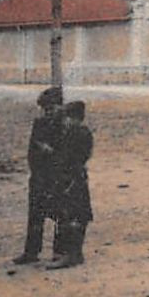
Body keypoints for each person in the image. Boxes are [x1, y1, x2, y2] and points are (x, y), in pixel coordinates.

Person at [12, 86, 64, 265]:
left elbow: (69, 153)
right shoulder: (39, 124)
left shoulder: (65, 126)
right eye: (44, 109)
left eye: (51, 108)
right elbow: (31, 152)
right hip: (39, 176)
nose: (47, 112)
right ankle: (31, 251)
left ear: (59, 107)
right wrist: (36, 172)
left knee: (60, 214)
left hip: (58, 177)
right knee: (35, 215)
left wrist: (52, 153)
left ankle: (59, 252)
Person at [47, 100, 94, 269]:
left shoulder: (77, 134)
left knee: (73, 215)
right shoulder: (78, 132)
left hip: (72, 178)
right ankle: (73, 253)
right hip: (74, 177)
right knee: (73, 214)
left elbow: (71, 157)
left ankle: (72, 254)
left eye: (68, 117)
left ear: (74, 118)